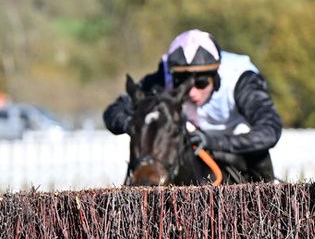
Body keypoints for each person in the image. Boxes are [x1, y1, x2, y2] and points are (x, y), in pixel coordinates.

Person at [103, 29, 282, 182]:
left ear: (216, 76)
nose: (192, 93)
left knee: (258, 152)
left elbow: (269, 132)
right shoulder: (163, 75)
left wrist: (213, 141)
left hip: (233, 138)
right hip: (189, 139)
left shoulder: (241, 80)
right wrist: (133, 126)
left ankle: (271, 204)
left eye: (202, 83)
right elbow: (114, 111)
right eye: (182, 83)